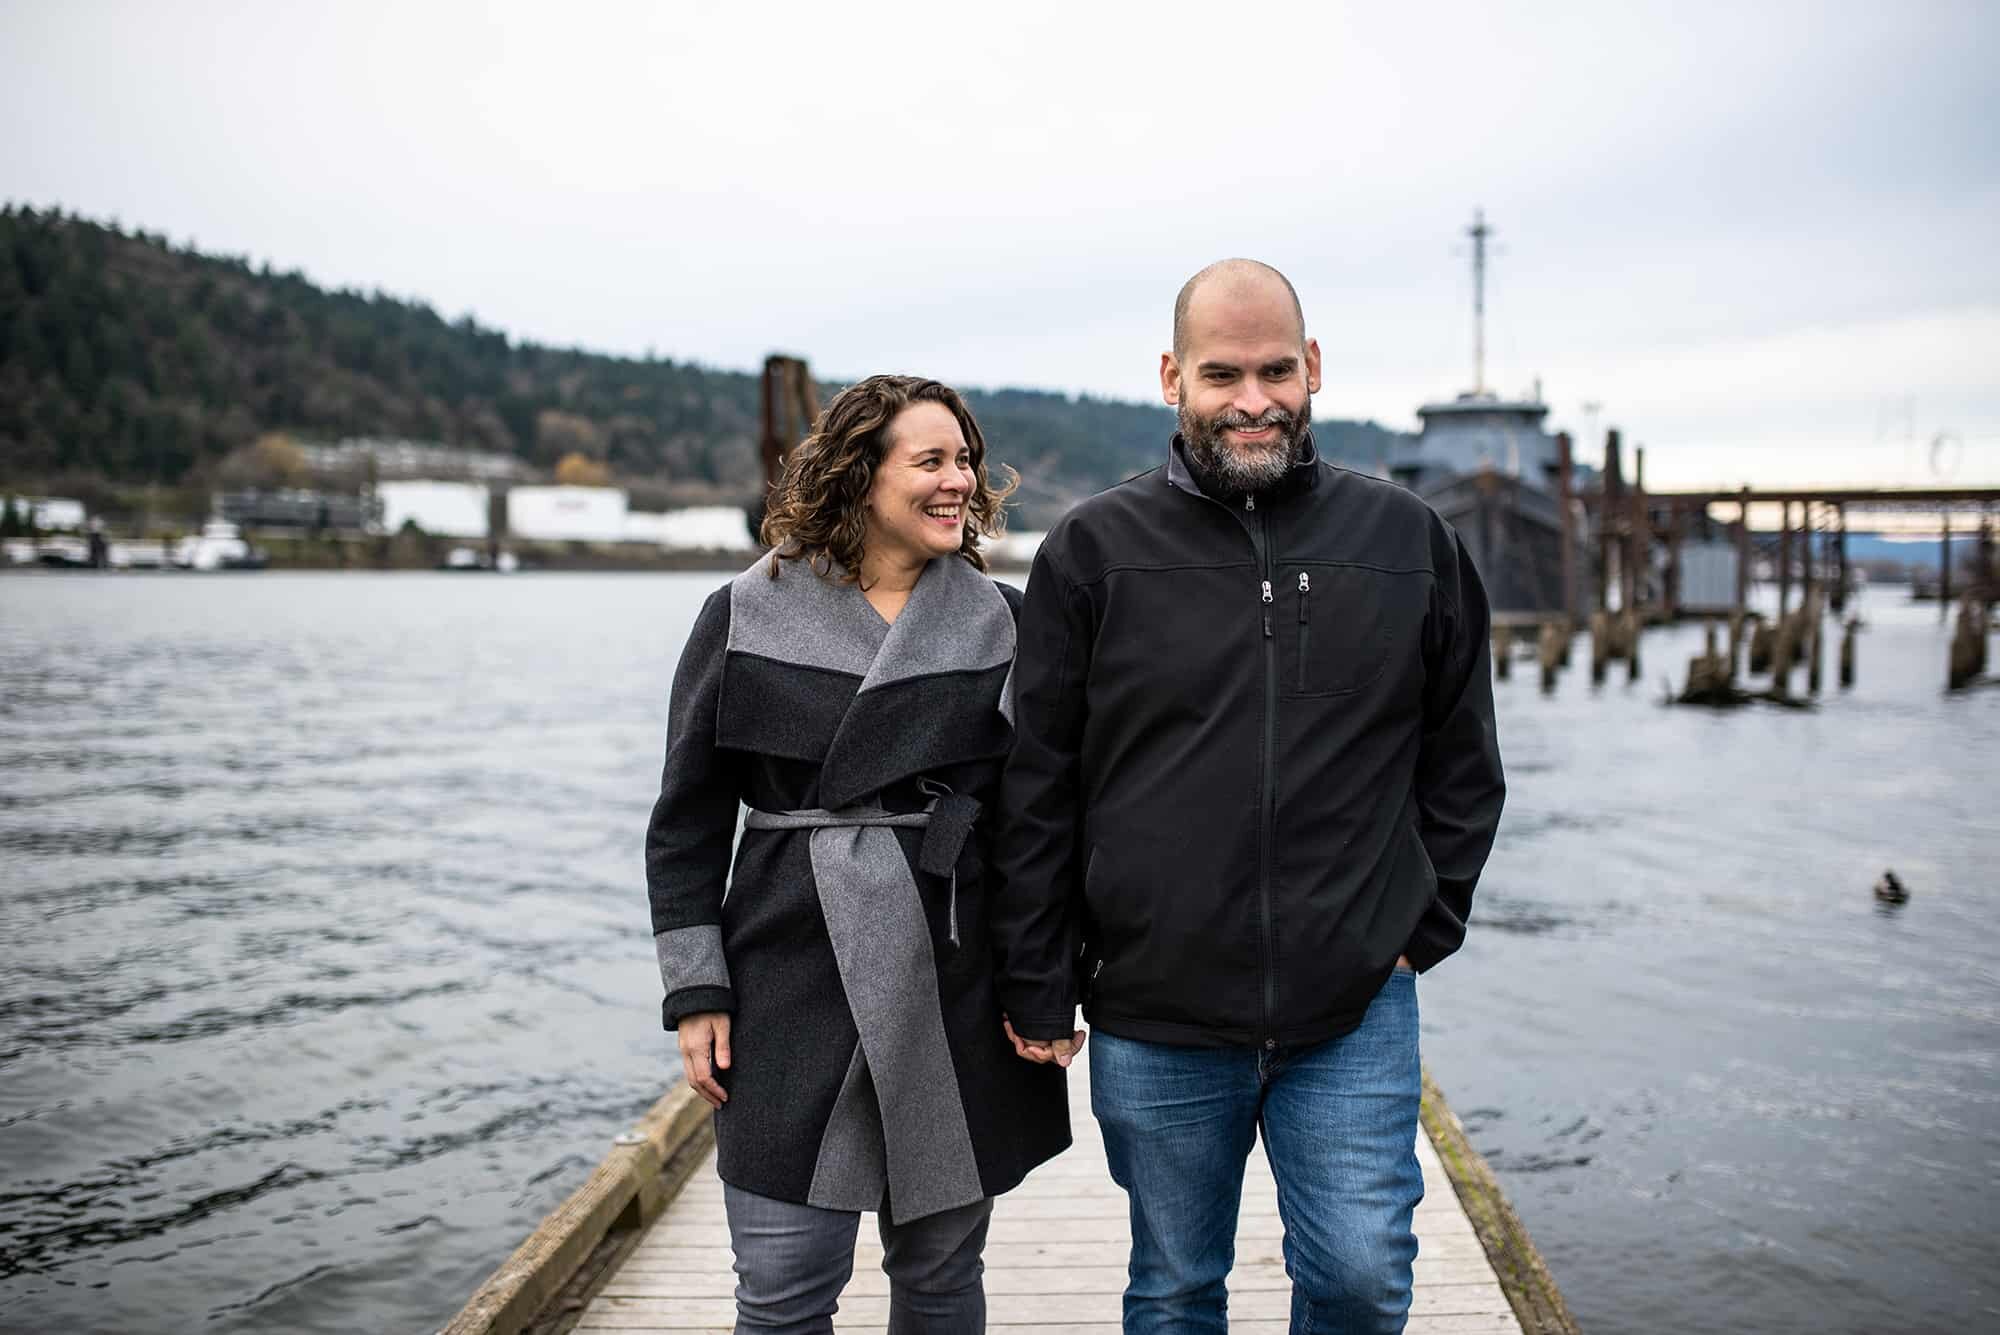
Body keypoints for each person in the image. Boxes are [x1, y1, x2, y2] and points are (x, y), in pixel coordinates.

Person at [993, 259, 1506, 1334]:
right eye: (1221, 373)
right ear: (1172, 376)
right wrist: (1038, 975)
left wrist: (1426, 918)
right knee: (1175, 1288)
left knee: (1363, 1281)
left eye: (1275, 369)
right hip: (1156, 1008)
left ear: (1312, 366)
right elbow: (1039, 782)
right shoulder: (1092, 553)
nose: (1252, 399)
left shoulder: (1405, 542)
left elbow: (1461, 759)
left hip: (1350, 1008)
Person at [645, 374, 1070, 1335]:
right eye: (930, 460)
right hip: (788, 978)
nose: (958, 480)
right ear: (858, 475)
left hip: (953, 976)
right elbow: (687, 820)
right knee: (785, 1286)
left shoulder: (1002, 620)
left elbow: (1041, 824)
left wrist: (1044, 985)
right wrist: (697, 989)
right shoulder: (747, 613)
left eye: (964, 459)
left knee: (942, 1272)